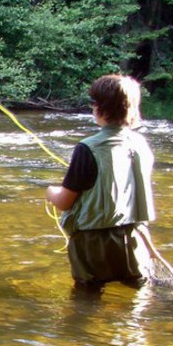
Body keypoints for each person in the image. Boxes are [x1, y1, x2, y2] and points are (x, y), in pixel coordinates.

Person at [46, 74, 156, 291]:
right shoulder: (141, 143)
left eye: (93, 102)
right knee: (137, 299)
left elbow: (64, 202)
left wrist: (50, 192)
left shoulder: (86, 148)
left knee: (86, 300)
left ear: (100, 107)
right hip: (135, 237)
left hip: (92, 242)